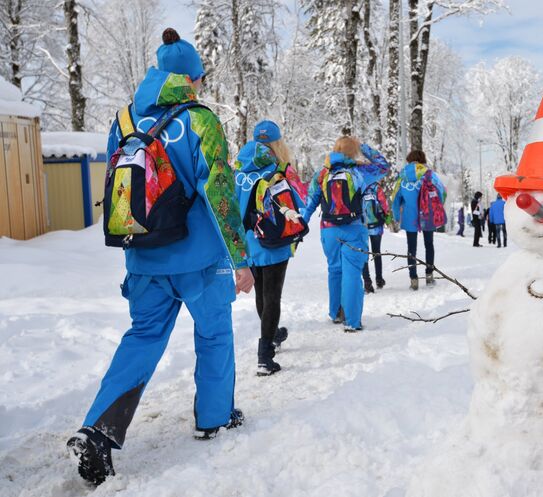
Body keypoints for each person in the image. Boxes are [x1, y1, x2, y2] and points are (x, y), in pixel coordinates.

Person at [66, 28, 254, 486]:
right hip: (200, 261)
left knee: (143, 337)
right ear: (191, 78)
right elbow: (221, 192)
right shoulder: (200, 121)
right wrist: (240, 258)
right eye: (201, 79)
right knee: (213, 336)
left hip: (144, 259)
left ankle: (98, 431)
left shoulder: (123, 121)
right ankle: (213, 417)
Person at [234, 120, 307, 376]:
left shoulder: (238, 170)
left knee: (261, 294)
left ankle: (273, 334)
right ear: (277, 143)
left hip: (248, 242)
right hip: (274, 241)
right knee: (273, 295)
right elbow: (300, 202)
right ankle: (265, 356)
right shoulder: (279, 169)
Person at [302, 137, 391, 332]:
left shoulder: (322, 174)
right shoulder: (360, 172)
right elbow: (384, 166)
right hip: (354, 228)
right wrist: (363, 146)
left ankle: (336, 313)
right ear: (354, 152)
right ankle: (352, 321)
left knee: (335, 270)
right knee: (352, 272)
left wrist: (301, 225)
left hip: (328, 229)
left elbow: (309, 203)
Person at [391, 150, 447, 291]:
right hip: (427, 214)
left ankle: (414, 279)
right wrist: (437, 206)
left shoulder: (402, 176)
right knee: (429, 245)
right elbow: (442, 191)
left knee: (411, 249)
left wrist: (396, 216)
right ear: (422, 159)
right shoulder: (429, 174)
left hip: (410, 216)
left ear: (409, 160)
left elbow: (395, 198)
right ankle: (429, 275)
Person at [361, 181, 390, 294]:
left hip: (362, 225)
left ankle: (367, 282)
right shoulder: (376, 187)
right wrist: (387, 215)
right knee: (376, 252)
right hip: (376, 225)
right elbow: (384, 204)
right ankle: (379, 279)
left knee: (364, 254)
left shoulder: (359, 184)